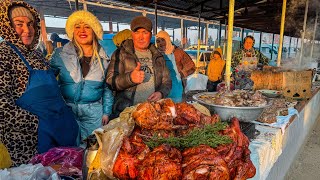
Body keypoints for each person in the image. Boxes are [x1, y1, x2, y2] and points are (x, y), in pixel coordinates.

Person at [0, 0, 78, 166]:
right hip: (28, 144)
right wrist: (37, 123)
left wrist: (65, 115)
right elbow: (1, 106)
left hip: (60, 134)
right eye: (19, 24)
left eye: (30, 24)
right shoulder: (4, 55)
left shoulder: (38, 56)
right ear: (7, 26)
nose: (27, 30)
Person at [50, 10, 114, 143]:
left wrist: (106, 112)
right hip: (67, 110)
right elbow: (49, 83)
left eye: (87, 27)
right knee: (69, 149)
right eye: (77, 27)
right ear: (72, 31)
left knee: (92, 149)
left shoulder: (104, 59)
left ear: (94, 31)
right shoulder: (60, 55)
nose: (82, 31)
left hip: (93, 113)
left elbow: (107, 89)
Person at [106, 16, 171, 118]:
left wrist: (161, 93)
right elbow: (110, 81)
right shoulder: (121, 54)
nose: (141, 37)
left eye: (145, 32)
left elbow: (167, 81)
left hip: (151, 114)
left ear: (150, 35)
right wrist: (129, 78)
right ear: (132, 34)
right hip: (126, 114)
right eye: (137, 32)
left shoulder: (158, 56)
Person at [156, 30, 195, 102]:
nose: (161, 43)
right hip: (162, 89)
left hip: (176, 87)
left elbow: (192, 67)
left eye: (162, 40)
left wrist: (181, 74)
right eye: (158, 41)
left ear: (167, 39)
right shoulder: (156, 54)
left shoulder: (178, 52)